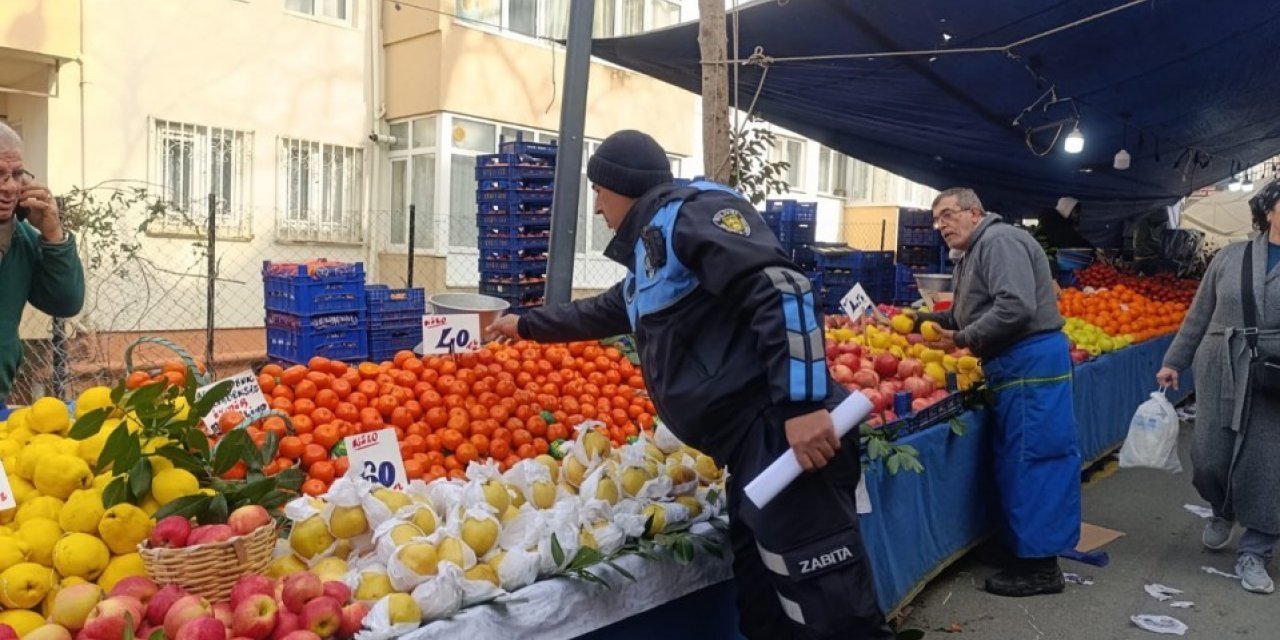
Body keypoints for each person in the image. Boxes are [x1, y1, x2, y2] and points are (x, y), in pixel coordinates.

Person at [487, 130, 894, 639]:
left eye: (598, 191)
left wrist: (804, 404)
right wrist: (524, 325)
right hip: (750, 453)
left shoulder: (690, 215)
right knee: (767, 601)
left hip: (781, 437)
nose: (596, 208)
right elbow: (602, 311)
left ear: (622, 185)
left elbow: (782, 288)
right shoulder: (650, 260)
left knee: (831, 607)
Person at [915, 187, 1081, 597]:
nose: (941, 226)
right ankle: (1018, 545)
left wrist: (962, 339)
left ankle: (1041, 567)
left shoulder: (1000, 241)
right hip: (1012, 365)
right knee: (1014, 458)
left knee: (1033, 459)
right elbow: (963, 311)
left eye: (948, 215)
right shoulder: (972, 253)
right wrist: (917, 318)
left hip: (1031, 363)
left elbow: (1015, 307)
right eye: (937, 220)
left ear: (975, 212)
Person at [1156, 178, 1280, 594]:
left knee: (1268, 462)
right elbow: (1199, 313)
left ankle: (1257, 551)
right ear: (1267, 210)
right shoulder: (1230, 257)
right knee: (1210, 455)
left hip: (1274, 373)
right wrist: (1175, 361)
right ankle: (1221, 508)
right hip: (1220, 365)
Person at [0, 122, 85, 405]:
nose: (10, 186)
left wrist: (52, 234)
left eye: (17, 174)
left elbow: (65, 302)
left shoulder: (21, 239)